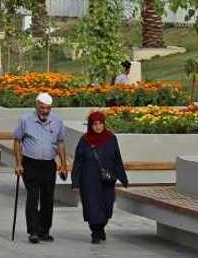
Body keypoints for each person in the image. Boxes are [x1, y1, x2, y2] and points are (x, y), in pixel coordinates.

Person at [12, 92, 68, 244]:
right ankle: (33, 231)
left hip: (49, 164)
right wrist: (18, 164)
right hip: (30, 163)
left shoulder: (57, 121)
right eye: (42, 108)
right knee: (33, 196)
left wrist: (63, 164)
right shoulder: (26, 120)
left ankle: (44, 230)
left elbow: (61, 142)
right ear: (36, 105)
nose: (45, 111)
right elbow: (17, 141)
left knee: (48, 198)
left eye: (48, 108)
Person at [72, 111, 128, 243]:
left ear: (104, 124)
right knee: (92, 207)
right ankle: (95, 232)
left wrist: (123, 178)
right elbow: (78, 162)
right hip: (88, 179)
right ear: (90, 125)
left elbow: (117, 159)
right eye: (95, 124)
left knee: (107, 206)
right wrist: (75, 182)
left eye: (100, 124)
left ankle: (101, 227)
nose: (98, 127)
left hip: (107, 179)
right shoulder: (84, 140)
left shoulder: (111, 138)